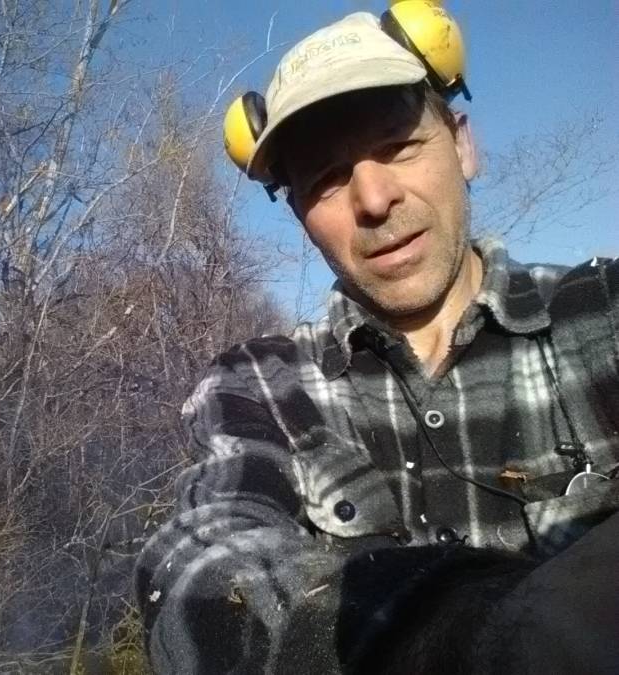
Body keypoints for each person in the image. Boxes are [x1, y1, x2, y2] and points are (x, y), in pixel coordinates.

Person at [135, 9, 619, 675]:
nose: (373, 197)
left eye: (398, 146)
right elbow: (202, 572)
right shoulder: (263, 384)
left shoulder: (601, 314)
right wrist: (471, 631)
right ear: (302, 216)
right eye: (327, 178)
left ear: (463, 146)